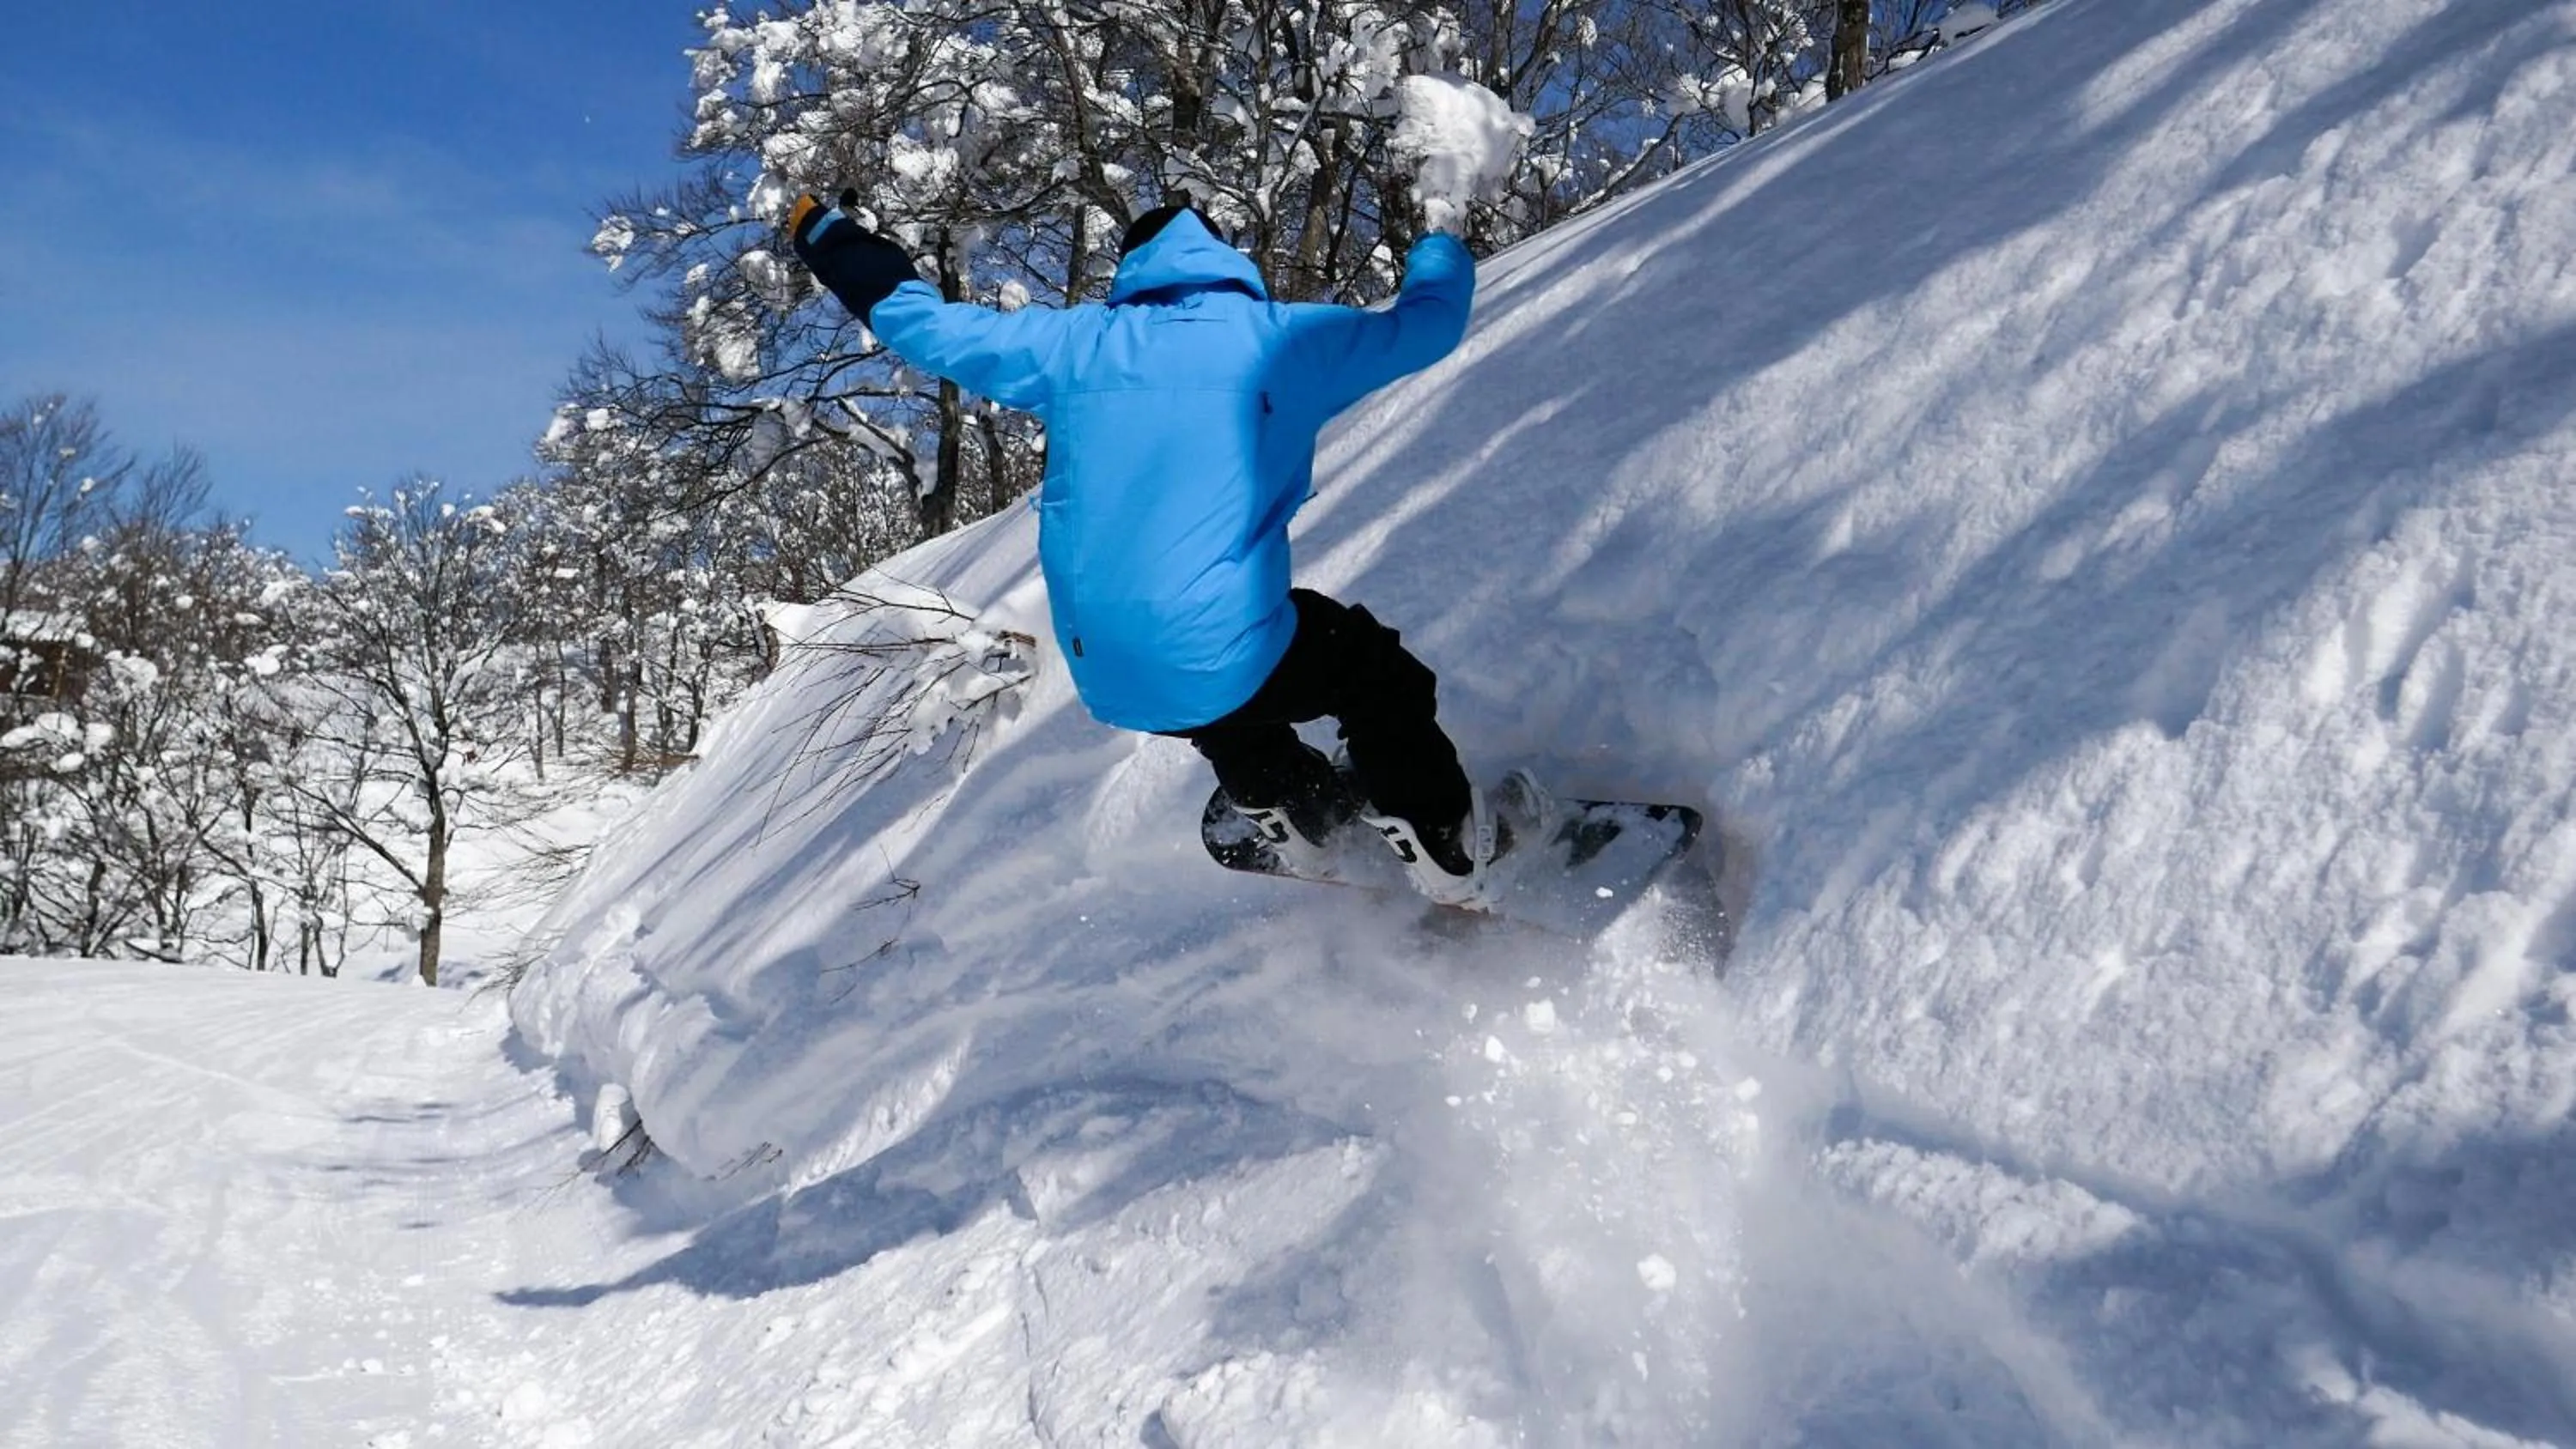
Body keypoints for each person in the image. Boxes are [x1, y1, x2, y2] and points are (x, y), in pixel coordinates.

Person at [787, 189, 1541, 906]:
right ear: (1222, 258)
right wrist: (1440, 242)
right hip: (1219, 646)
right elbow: (1431, 328)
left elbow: (920, 325)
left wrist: (827, 236)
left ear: (1132, 274)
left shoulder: (1072, 345)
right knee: (1372, 673)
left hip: (1111, 676)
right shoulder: (1282, 340)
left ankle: (1294, 811)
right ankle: (1448, 842)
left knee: (1223, 683)